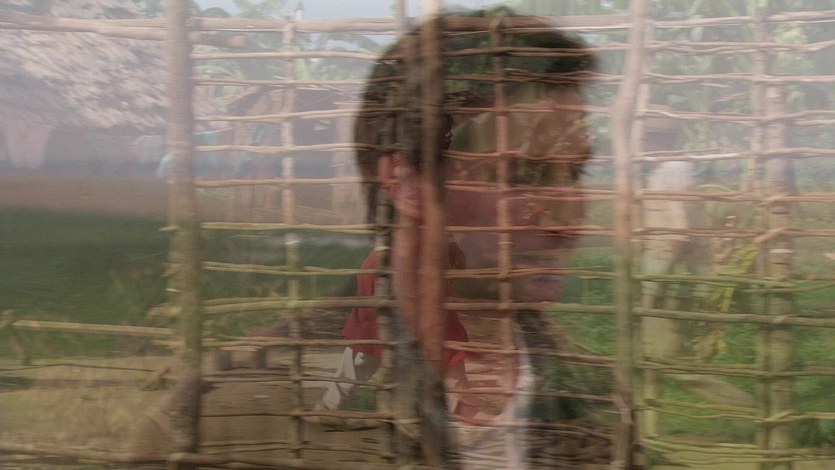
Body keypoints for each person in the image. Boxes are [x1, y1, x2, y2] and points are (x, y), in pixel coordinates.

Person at [310, 7, 596, 467]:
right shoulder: (256, 416)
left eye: (577, 172)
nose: (570, 223)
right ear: (407, 184)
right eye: (524, 174)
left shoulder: (596, 403)